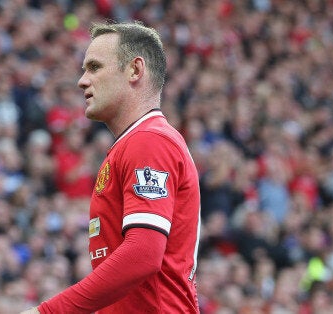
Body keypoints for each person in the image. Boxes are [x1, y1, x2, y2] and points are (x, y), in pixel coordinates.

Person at [21, 21, 201, 313]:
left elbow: (143, 254)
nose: (82, 80)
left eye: (94, 67)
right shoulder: (135, 143)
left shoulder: (149, 140)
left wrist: (50, 312)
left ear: (134, 70)